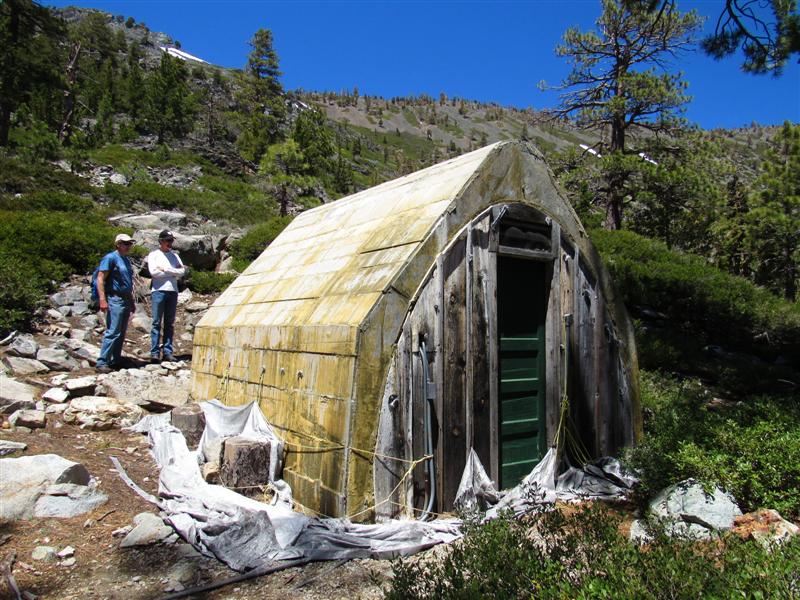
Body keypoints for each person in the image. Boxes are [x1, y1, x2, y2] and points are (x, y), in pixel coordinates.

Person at [96, 234, 137, 373]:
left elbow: (128, 282)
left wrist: (131, 300)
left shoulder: (125, 259)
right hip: (115, 298)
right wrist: (102, 299)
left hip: (125, 298)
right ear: (118, 244)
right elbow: (100, 278)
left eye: (129, 244)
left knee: (121, 331)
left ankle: (115, 360)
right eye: (125, 243)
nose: (128, 246)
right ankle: (102, 361)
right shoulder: (110, 258)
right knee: (113, 331)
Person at [147, 230, 187, 363]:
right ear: (161, 241)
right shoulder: (154, 255)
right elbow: (154, 272)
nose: (170, 243)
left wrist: (166, 270)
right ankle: (154, 353)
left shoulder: (175, 256)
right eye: (168, 240)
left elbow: (182, 272)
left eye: (171, 241)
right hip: (158, 290)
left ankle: (168, 352)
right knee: (156, 322)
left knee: (169, 323)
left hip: (172, 290)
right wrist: (172, 273)